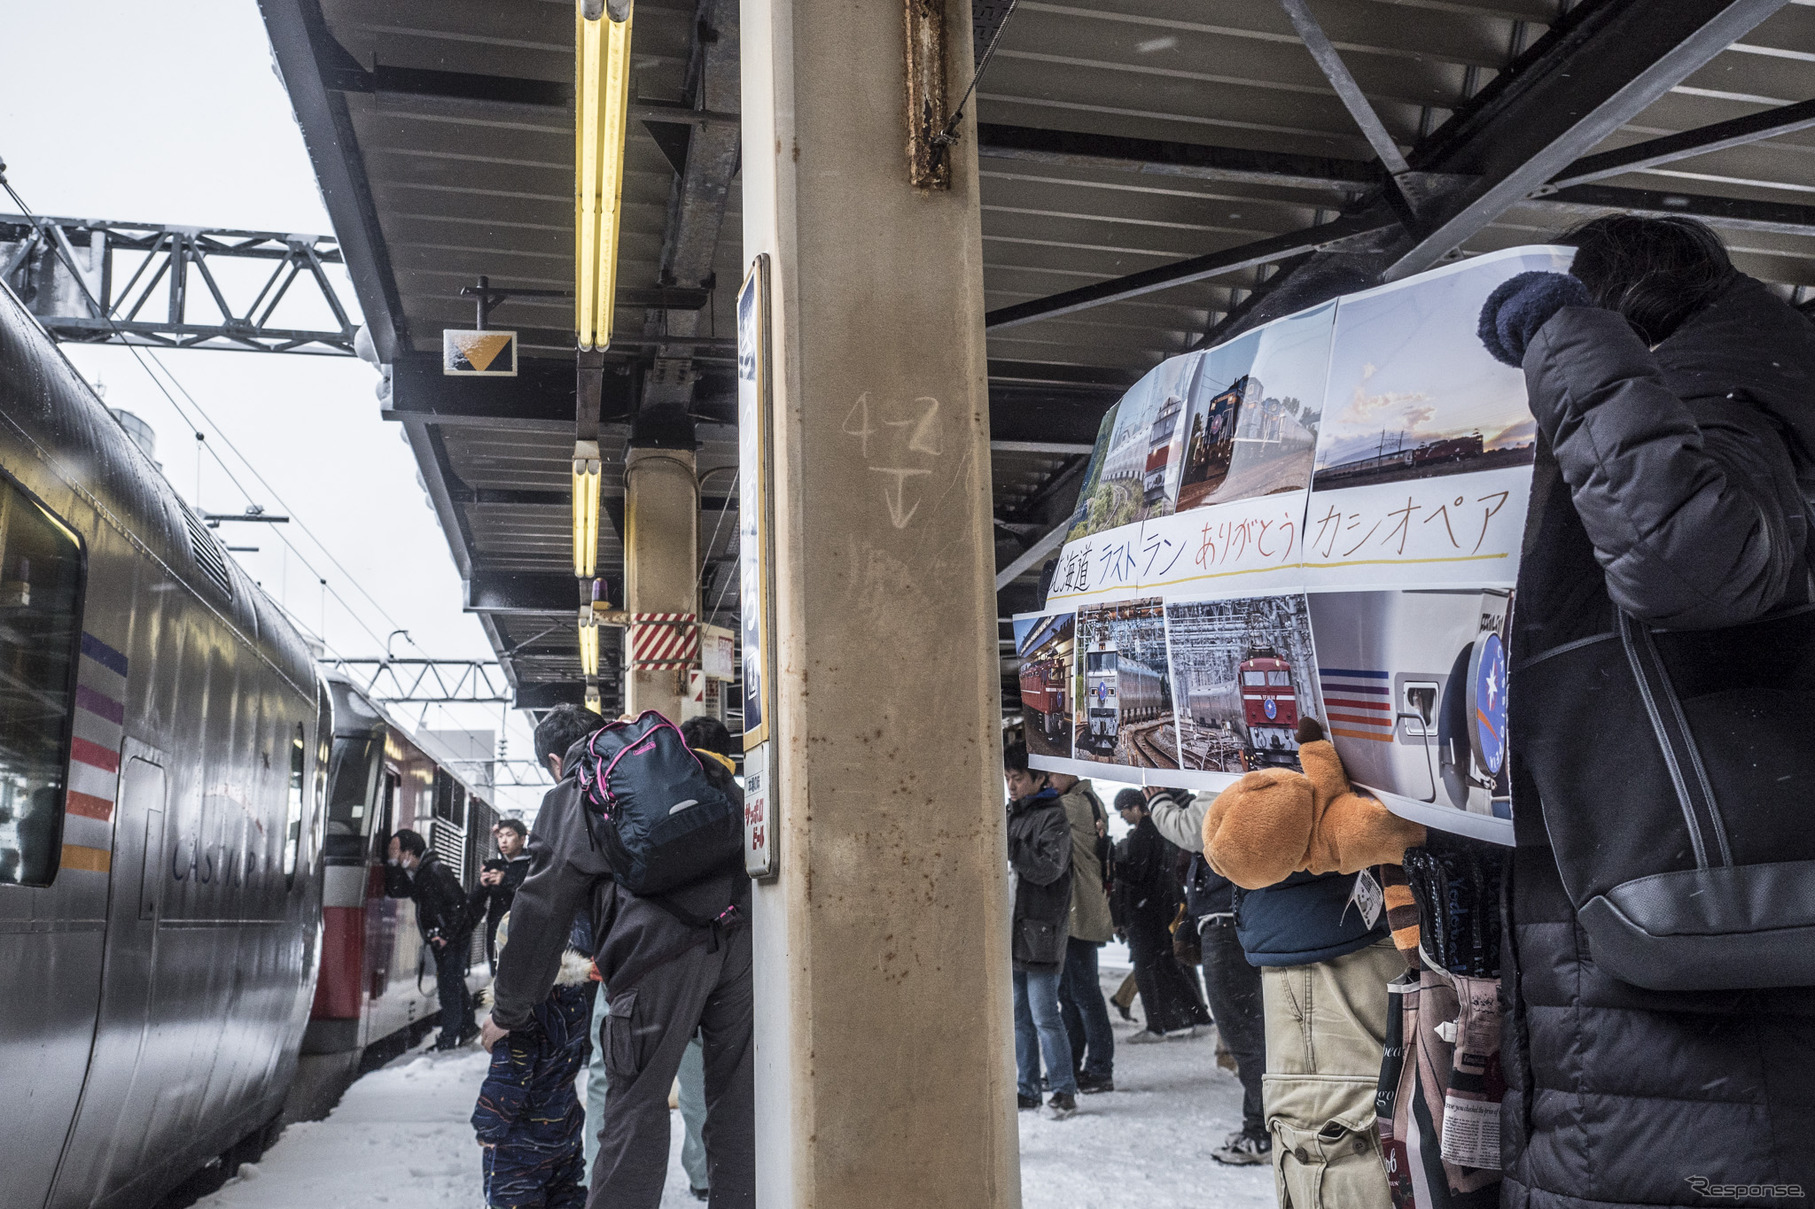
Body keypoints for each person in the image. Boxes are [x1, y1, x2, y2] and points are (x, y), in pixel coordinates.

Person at [1477, 215, 1815, 1207]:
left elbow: (1690, 561)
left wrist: (1562, 339)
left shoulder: (1734, 396)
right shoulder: (1686, 406)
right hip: (1629, 971)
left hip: (1705, 1008)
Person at [484, 704, 754, 1209]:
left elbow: (540, 913)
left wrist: (510, 1008)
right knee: (736, 1103)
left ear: (554, 760)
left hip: (656, 964)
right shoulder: (686, 762)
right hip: (738, 942)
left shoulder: (573, 792)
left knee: (635, 1107)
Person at [1147, 785, 1269, 1167]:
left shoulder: (1225, 776)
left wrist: (1157, 800)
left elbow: (1189, 828)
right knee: (1252, 1032)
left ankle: (1265, 1131)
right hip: (1232, 915)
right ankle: (1260, 1126)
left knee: (1244, 1035)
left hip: (1227, 921)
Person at [472, 912, 597, 1209]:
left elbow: (508, 1078)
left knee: (514, 1198)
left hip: (520, 1147)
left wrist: (487, 1127)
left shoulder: (516, 1020)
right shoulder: (573, 1001)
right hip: (563, 1131)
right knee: (564, 1195)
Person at [1003, 743, 1078, 1120]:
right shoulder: (1010, 815)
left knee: (1045, 1015)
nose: (1012, 786)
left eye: (1018, 779)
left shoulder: (1053, 817)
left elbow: (1050, 869)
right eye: (1008, 779)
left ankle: (1063, 1089)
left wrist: (1014, 848)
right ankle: (1027, 1088)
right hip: (1013, 929)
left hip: (1041, 930)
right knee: (1018, 1017)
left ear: (1038, 778)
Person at [1111, 789, 1210, 1041]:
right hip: (1161, 909)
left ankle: (1158, 1026)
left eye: (1123, 810)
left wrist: (1112, 863)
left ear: (1135, 807)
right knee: (1167, 966)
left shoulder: (1144, 833)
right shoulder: (1158, 829)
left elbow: (1136, 874)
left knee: (1148, 969)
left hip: (1147, 913)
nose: (1122, 816)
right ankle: (1198, 1018)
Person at [1049, 771, 1116, 1094]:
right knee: (1070, 996)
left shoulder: (1074, 803)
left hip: (1080, 911)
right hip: (1074, 913)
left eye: (1050, 774)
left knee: (1085, 996)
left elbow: (1036, 812)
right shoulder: (1083, 800)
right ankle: (1074, 1065)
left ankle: (1100, 1068)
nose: (1046, 781)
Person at [384, 827, 477, 1050]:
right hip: (444, 937)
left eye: (396, 851)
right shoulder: (418, 872)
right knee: (454, 983)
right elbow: (396, 890)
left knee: (448, 988)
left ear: (410, 852)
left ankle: (448, 1040)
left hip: (454, 938)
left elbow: (459, 905)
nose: (392, 856)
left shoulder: (435, 871)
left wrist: (446, 934)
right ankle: (468, 1028)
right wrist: (394, 867)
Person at [472, 818, 532, 966]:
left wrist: (504, 882)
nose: (503, 841)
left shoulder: (531, 865)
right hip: (496, 930)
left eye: (509, 835)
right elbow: (475, 901)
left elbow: (529, 896)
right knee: (496, 971)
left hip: (523, 930)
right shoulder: (495, 865)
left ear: (522, 839)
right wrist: (482, 884)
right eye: (500, 836)